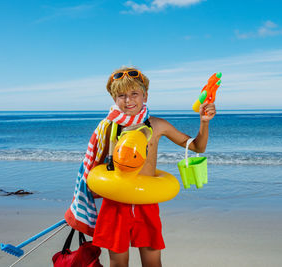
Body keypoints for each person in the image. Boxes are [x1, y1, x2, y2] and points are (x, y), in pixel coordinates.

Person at [92, 67, 216, 267]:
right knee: (118, 263)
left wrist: (204, 122)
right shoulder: (109, 127)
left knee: (153, 262)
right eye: (121, 95)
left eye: (134, 94)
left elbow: (197, 146)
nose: (128, 100)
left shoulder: (157, 126)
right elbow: (96, 166)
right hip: (116, 204)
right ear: (114, 98)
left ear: (145, 95)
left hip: (146, 202)